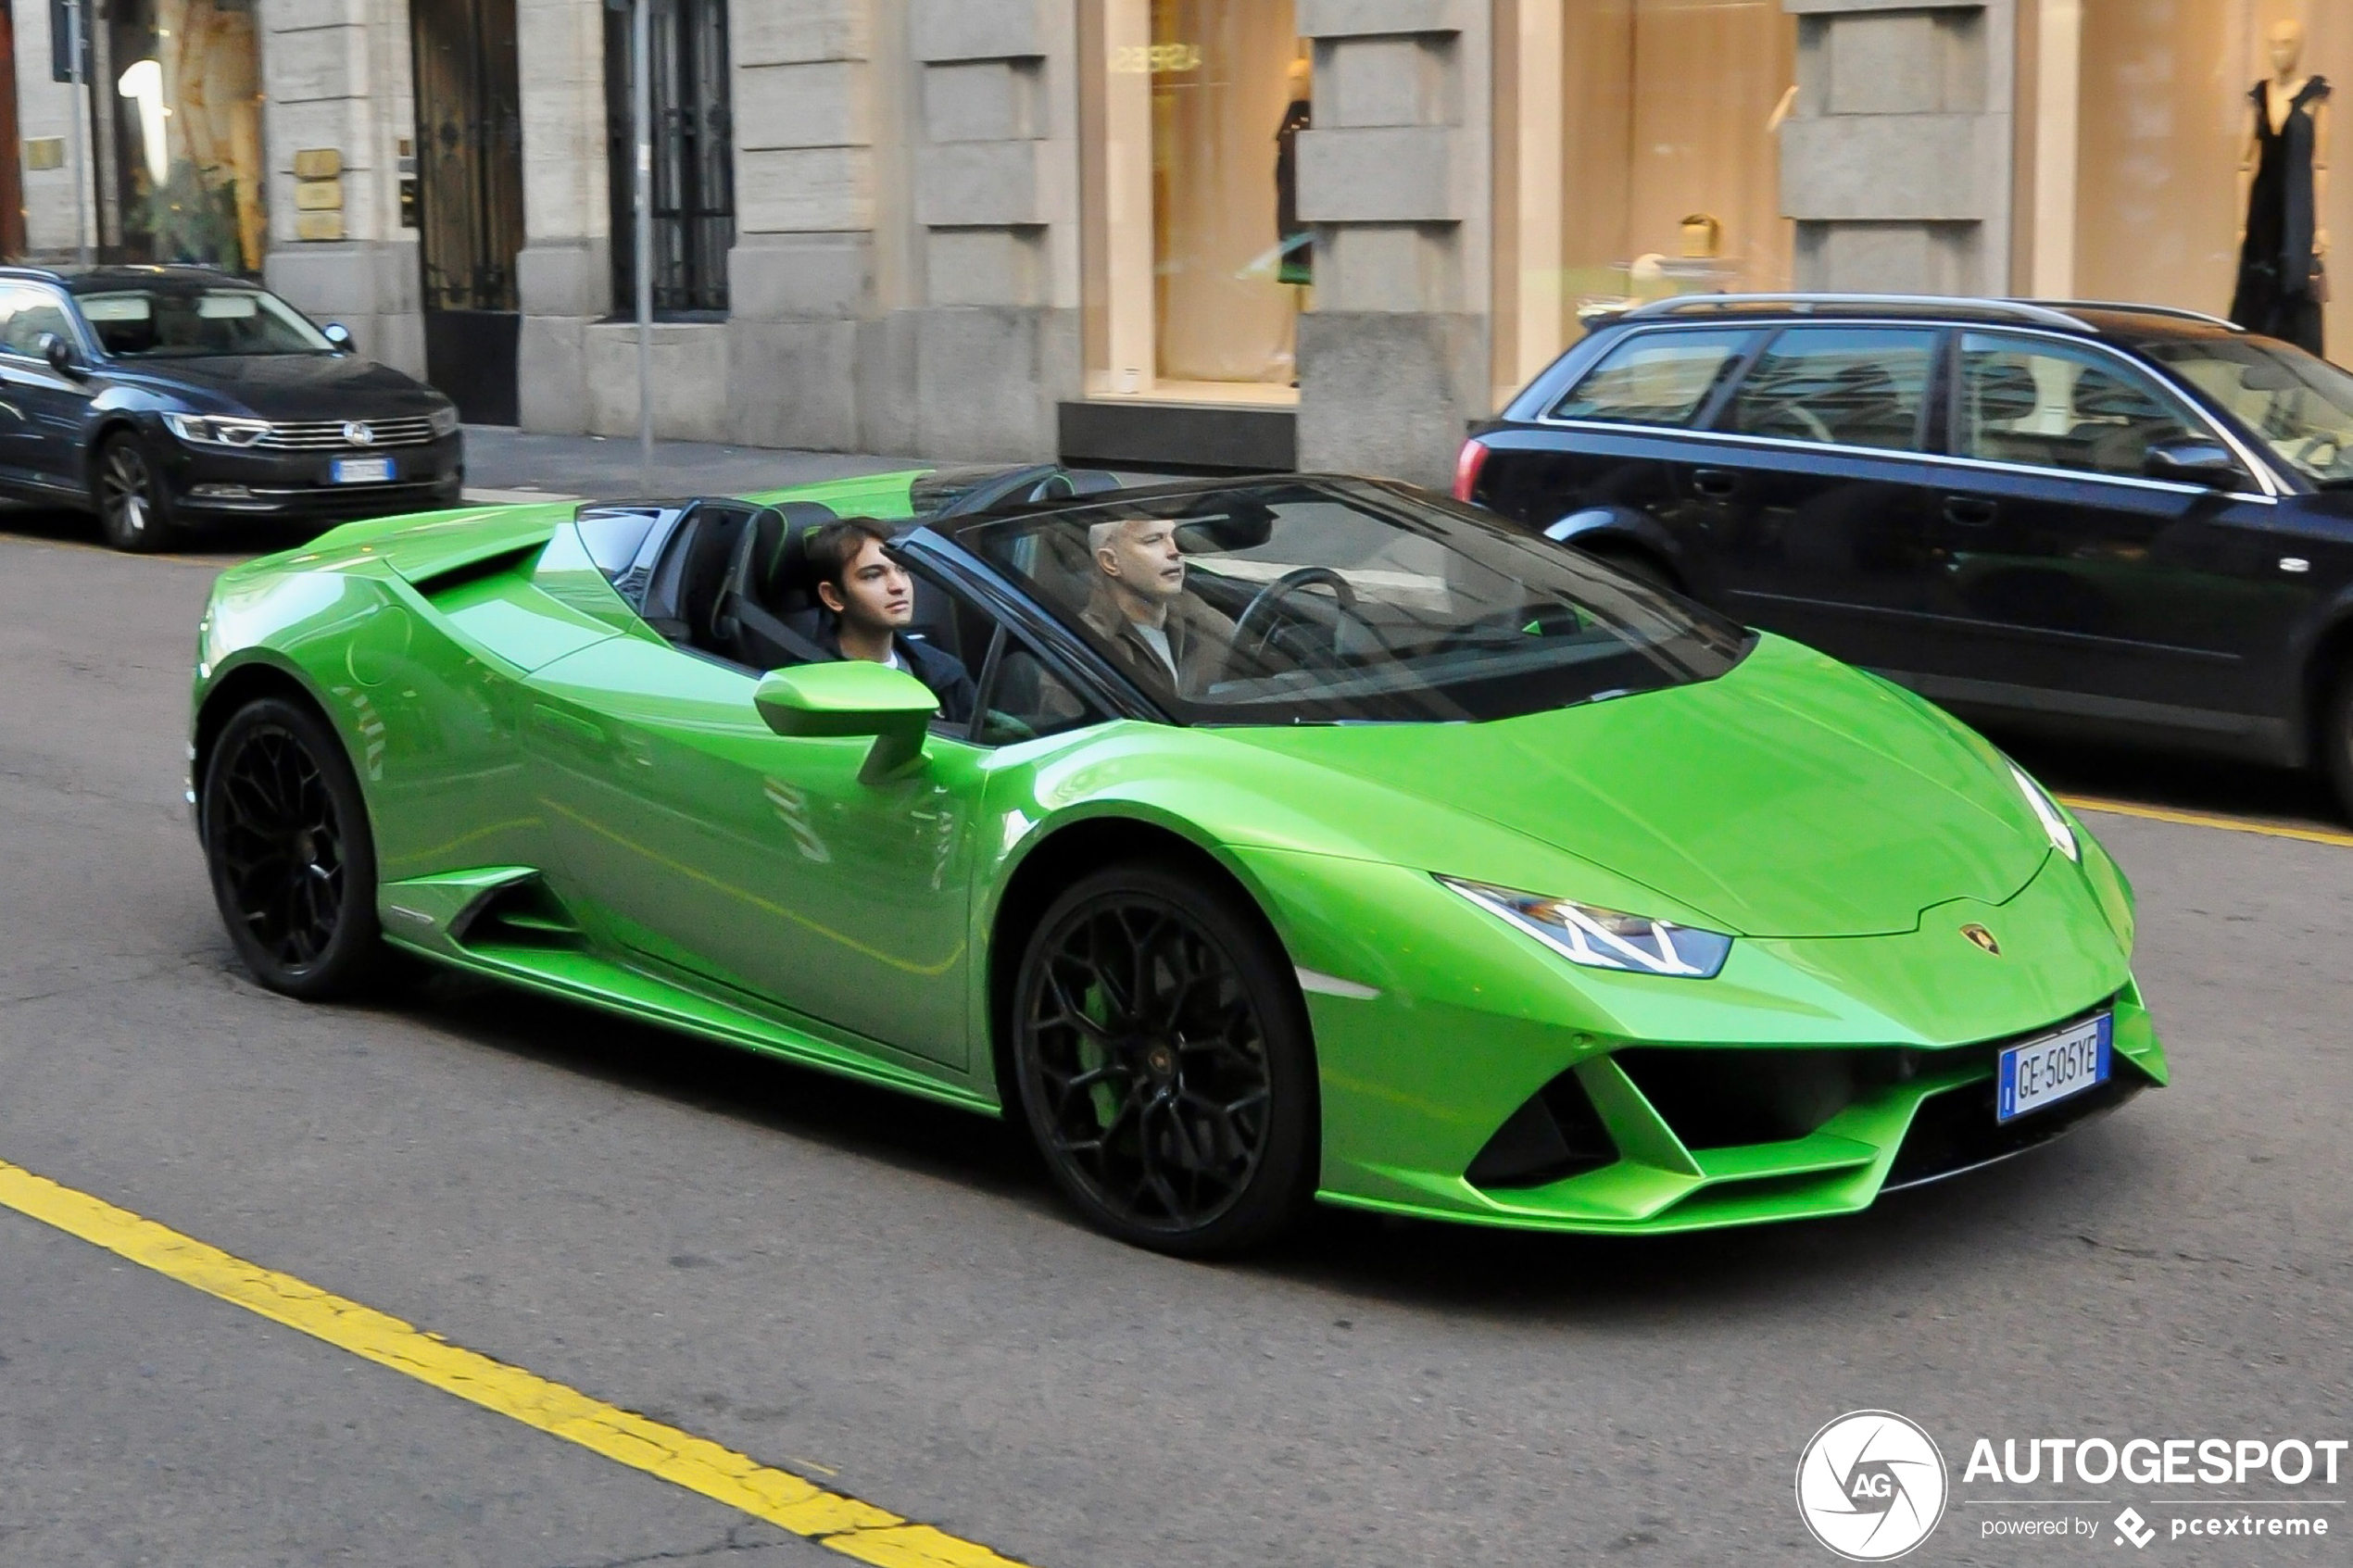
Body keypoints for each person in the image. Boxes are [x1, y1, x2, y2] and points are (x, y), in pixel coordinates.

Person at [805, 517, 976, 724]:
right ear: (833, 596)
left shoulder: (945, 673)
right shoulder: (813, 688)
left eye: (902, 569)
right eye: (872, 575)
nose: (898, 586)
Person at [1079, 516, 1232, 695]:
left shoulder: (1205, 622)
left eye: (1175, 538)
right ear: (1110, 562)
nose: (1175, 551)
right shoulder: (1087, 645)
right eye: (1153, 541)